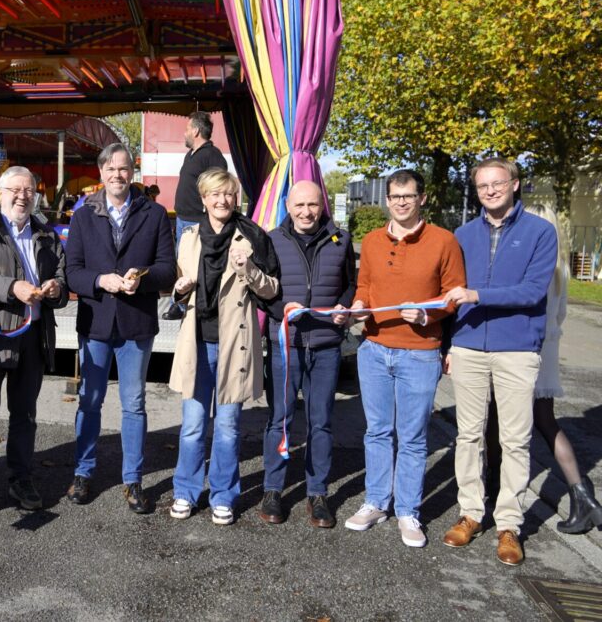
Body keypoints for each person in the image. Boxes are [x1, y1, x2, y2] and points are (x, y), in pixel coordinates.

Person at [441, 159, 559, 565]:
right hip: (469, 346)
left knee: (515, 439)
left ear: (514, 183)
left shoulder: (540, 233)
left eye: (497, 183)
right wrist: (447, 344)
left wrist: (476, 295)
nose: (490, 191)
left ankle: (509, 524)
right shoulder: (462, 235)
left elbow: (531, 292)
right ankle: (471, 513)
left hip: (517, 349)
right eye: (482, 186)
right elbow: (447, 294)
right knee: (469, 435)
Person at [345, 168, 465, 548]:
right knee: (377, 431)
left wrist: (430, 314)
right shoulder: (373, 241)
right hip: (375, 348)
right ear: (386, 201)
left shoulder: (444, 241)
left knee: (412, 437)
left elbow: (454, 295)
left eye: (408, 196)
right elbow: (364, 286)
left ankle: (408, 511)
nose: (400, 202)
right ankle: (376, 502)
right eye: (395, 197)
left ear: (422, 199)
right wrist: (360, 306)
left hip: (420, 353)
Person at [63, 143, 177, 512]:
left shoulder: (155, 214)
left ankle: (133, 481)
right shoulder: (82, 216)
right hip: (95, 322)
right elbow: (72, 272)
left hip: (135, 323)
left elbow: (167, 268)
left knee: (134, 404)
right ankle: (83, 473)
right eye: (111, 169)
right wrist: (100, 281)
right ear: (100, 173)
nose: (118, 175)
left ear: (133, 172)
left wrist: (139, 279)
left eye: (124, 169)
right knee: (90, 401)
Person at [168, 169, 279, 524]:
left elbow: (272, 290)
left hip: (235, 345)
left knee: (229, 426)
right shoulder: (188, 238)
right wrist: (179, 290)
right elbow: (177, 290)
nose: (222, 201)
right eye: (215, 195)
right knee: (192, 425)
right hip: (196, 343)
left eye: (228, 194)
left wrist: (249, 270)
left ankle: (223, 496)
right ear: (203, 199)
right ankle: (185, 492)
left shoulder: (251, 237)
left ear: (236, 199)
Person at [0, 166, 67, 513]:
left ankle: (20, 477)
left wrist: (55, 289)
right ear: (0, 191)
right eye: (15, 190)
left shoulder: (47, 234)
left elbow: (63, 279)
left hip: (34, 337)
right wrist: (12, 288)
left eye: (29, 190)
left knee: (24, 414)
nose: (22, 196)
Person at [259, 180, 355, 528]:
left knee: (321, 421)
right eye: (299, 205)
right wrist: (283, 308)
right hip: (286, 343)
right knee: (279, 419)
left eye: (312, 205)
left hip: (326, 343)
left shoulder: (340, 240)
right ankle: (273, 489)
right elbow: (262, 291)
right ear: (288, 204)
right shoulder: (272, 240)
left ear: (322, 205)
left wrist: (345, 305)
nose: (306, 212)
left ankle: (318, 492)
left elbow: (350, 283)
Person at [522, 203, 602, 534]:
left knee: (502, 422)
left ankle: (494, 494)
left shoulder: (534, 264)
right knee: (545, 421)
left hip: (526, 348)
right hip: (549, 350)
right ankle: (583, 496)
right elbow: (561, 314)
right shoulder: (560, 267)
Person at [164, 111, 228, 320]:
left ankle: (198, 306)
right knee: (182, 263)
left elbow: (219, 185)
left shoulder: (212, 155)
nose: (185, 133)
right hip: (183, 219)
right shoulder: (190, 154)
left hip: (198, 220)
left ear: (197, 130)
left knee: (197, 264)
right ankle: (181, 304)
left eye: (187, 128)